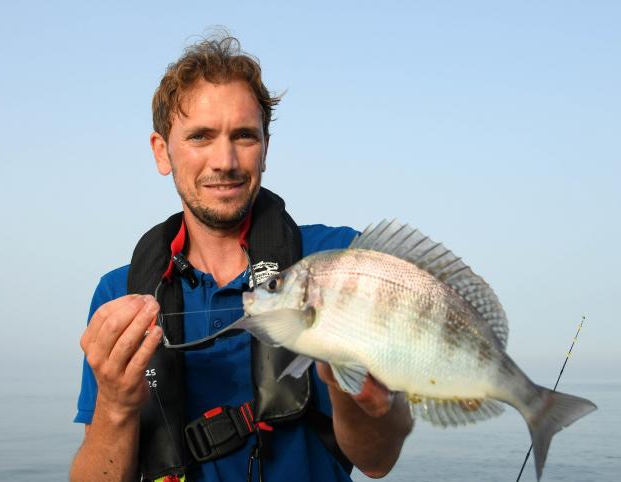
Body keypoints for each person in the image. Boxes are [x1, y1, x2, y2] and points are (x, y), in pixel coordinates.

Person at [70, 34, 413, 482]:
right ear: (162, 151)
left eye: (244, 136)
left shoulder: (338, 261)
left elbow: (378, 460)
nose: (225, 160)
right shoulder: (120, 293)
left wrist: (354, 391)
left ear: (266, 148)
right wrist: (114, 403)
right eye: (200, 136)